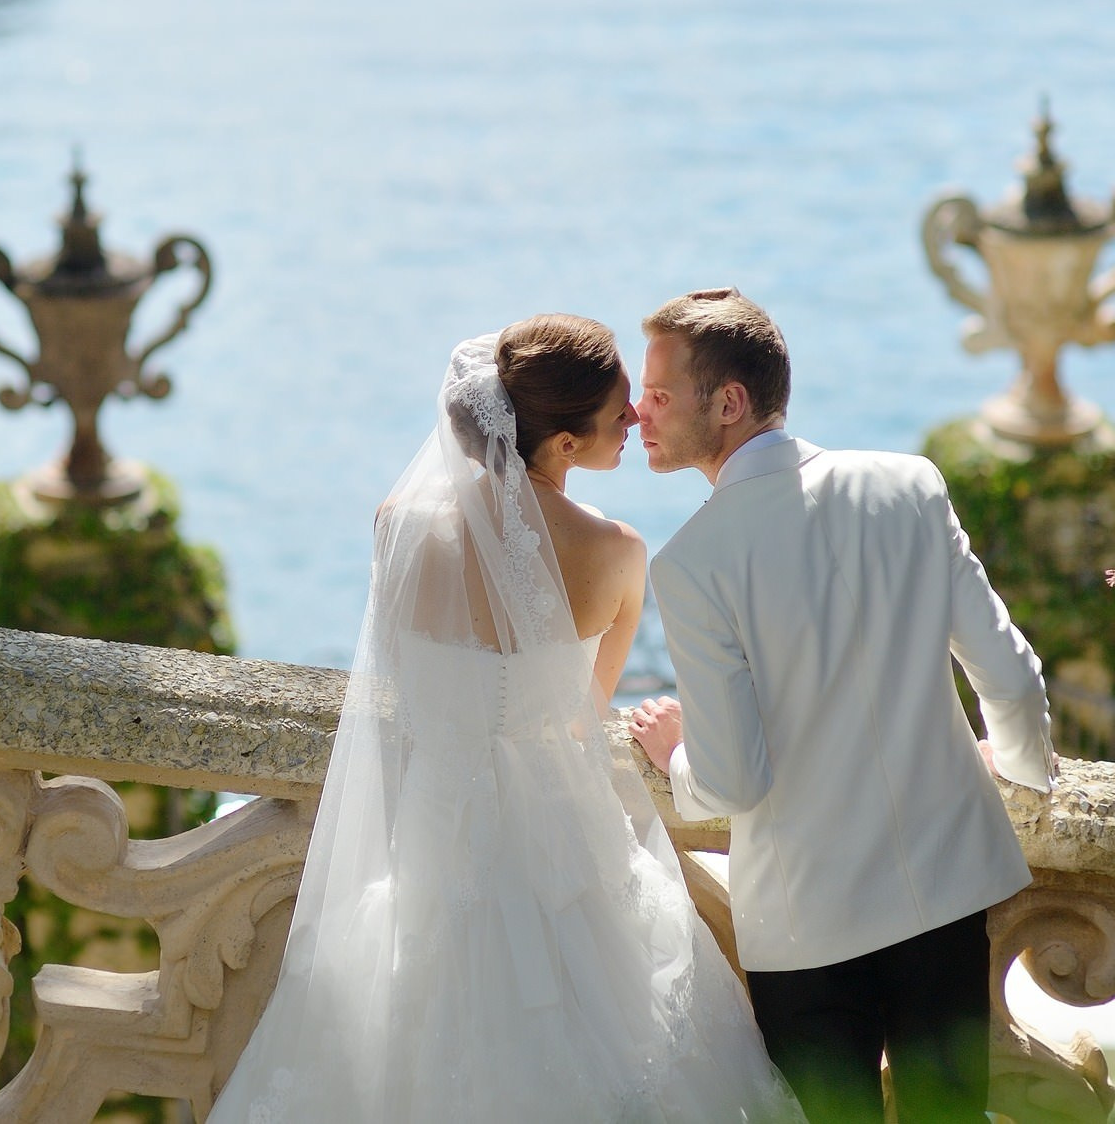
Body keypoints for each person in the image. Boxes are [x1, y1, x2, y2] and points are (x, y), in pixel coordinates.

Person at [209, 316, 802, 1122]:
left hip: (429, 841)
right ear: (561, 445)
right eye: (619, 412)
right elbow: (583, 714)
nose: (635, 421)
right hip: (560, 857)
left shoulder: (396, 525)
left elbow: (403, 691)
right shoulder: (618, 552)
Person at [627, 287, 1056, 1124]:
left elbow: (733, 782)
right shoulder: (909, 484)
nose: (637, 410)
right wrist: (1030, 778)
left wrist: (674, 753)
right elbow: (1009, 677)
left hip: (808, 927)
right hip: (947, 887)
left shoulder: (691, 564)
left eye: (660, 394)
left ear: (729, 401)